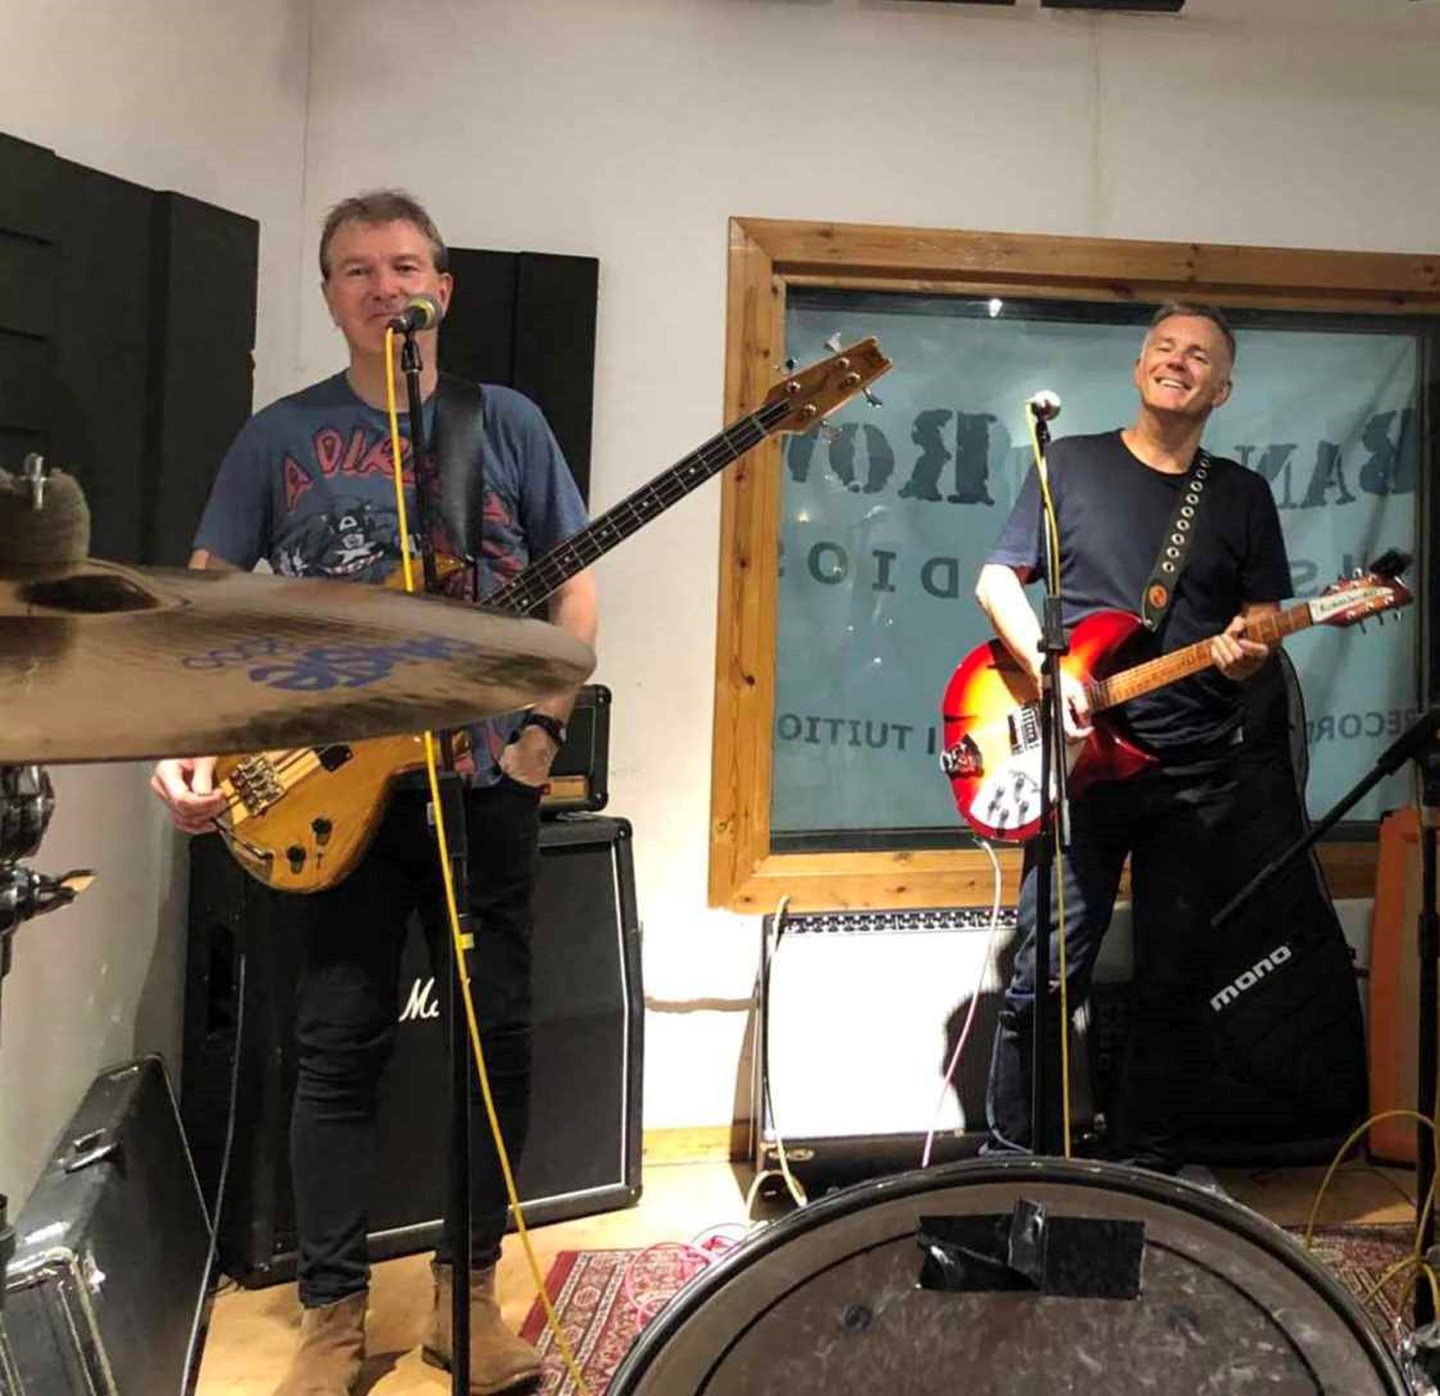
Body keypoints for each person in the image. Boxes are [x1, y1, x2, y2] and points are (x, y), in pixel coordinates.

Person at [151, 190, 597, 1396]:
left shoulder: (502, 423)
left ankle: (468, 1297)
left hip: (482, 787)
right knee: (334, 1051)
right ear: (332, 296)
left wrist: (540, 738)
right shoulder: (279, 437)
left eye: (406, 266)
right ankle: (332, 1319)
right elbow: (208, 608)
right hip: (329, 803)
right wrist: (195, 741)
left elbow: (574, 596)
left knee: (490, 1046)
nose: (384, 286)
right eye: (356, 270)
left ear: (441, 288)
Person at [975, 302, 1292, 1169]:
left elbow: (1260, 621)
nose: (1177, 362)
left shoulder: (1239, 495)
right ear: (1138, 366)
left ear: (1222, 390)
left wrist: (1238, 659)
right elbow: (999, 579)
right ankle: (1016, 1159)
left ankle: (1149, 1169)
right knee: (1042, 976)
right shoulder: (1067, 466)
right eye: (1164, 347)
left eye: (1199, 357)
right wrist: (1054, 673)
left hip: (1194, 774)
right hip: (1078, 769)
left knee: (1173, 982)